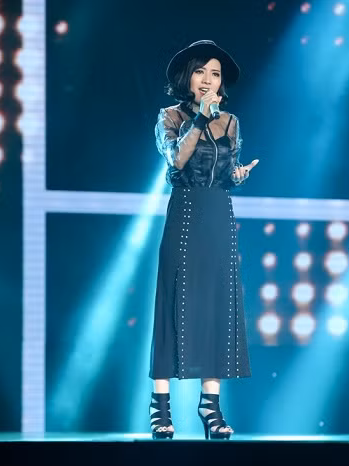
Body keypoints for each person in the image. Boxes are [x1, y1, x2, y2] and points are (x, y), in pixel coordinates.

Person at [149, 40, 258, 440]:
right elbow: (177, 159)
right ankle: (160, 406)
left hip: (218, 215)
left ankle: (210, 407)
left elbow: (225, 173)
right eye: (201, 72)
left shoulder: (230, 122)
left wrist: (237, 176)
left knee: (217, 306)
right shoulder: (171, 117)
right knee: (175, 302)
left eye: (215, 74)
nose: (208, 80)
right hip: (186, 213)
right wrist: (199, 120)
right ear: (188, 78)